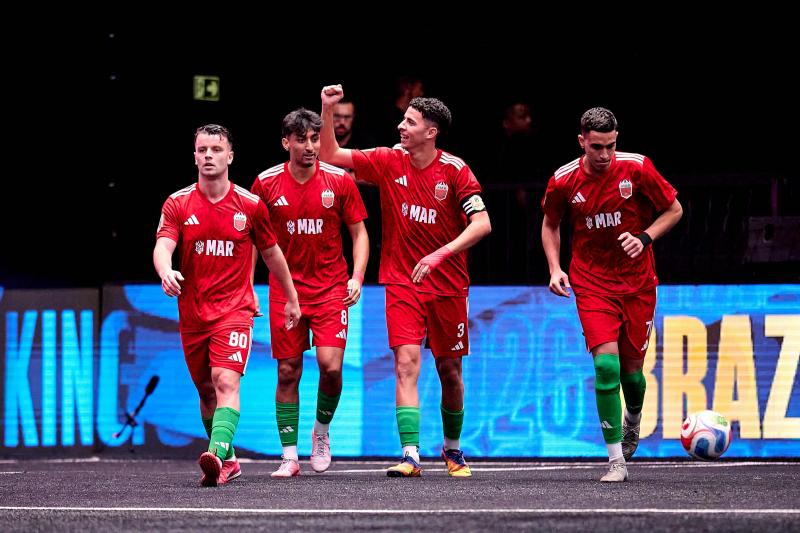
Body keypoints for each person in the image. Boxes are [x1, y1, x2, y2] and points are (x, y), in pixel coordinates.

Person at [320, 84, 491, 478]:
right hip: (401, 282)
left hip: (448, 285)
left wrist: (440, 254)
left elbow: (482, 223)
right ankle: (411, 455)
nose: (401, 126)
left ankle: (452, 449)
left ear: (431, 132)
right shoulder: (388, 160)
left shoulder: (456, 170)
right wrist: (327, 109)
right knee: (405, 364)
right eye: (403, 119)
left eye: (410, 122)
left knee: (450, 371)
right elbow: (330, 154)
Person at [154, 124, 301, 487]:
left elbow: (272, 254)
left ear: (230, 156)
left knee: (225, 380)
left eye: (216, 150)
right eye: (202, 149)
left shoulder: (250, 205)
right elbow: (163, 246)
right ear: (194, 156)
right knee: (206, 390)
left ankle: (217, 454)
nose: (208, 155)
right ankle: (230, 461)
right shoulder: (177, 203)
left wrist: (292, 297)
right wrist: (165, 271)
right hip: (193, 313)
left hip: (235, 311)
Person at [540, 107, 683, 482]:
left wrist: (645, 238)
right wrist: (555, 268)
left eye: (611, 146)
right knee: (606, 367)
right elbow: (550, 225)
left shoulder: (637, 168)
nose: (604, 155)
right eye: (597, 147)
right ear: (582, 142)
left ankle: (632, 418)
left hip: (638, 284)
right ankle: (616, 460)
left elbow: (674, 209)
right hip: (592, 284)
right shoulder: (563, 180)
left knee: (632, 374)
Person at [251, 108, 369, 477]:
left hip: (332, 288)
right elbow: (253, 240)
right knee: (288, 370)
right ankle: (289, 456)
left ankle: (321, 432)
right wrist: (247, 287)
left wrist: (357, 277)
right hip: (285, 292)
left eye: (315, 139)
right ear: (286, 142)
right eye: (301, 139)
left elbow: (360, 234)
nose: (310, 146)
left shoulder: (339, 181)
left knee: (331, 367)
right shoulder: (265, 184)